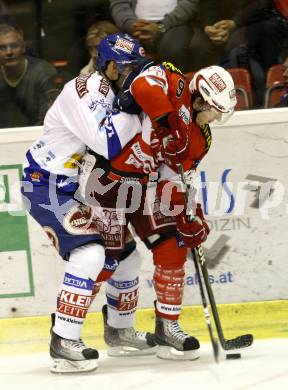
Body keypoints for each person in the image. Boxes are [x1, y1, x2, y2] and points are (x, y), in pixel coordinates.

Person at [82, 34, 236, 360]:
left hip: (145, 185)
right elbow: (141, 86)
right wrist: (166, 119)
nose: (217, 119)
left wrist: (188, 215)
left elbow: (176, 180)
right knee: (106, 258)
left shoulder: (201, 139)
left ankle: (167, 328)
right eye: (215, 111)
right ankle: (65, 331)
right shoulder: (172, 78)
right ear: (198, 99)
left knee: (172, 243)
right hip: (109, 174)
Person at [21, 33, 158, 374]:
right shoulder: (83, 90)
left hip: (76, 185)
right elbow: (106, 142)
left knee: (126, 257)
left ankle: (119, 330)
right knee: (90, 253)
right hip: (44, 183)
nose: (135, 77)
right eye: (129, 69)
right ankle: (64, 339)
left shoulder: (116, 92)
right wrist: (132, 107)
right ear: (110, 66)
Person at [109, 0, 200, 71]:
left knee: (173, 48)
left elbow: (189, 3)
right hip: (134, 27)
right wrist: (131, 24)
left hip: (174, 25)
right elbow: (119, 3)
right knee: (112, 47)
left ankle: (176, 89)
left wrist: (162, 26)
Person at [0, 23, 57, 128]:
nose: (9, 52)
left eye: (14, 46)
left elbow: (50, 119)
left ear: (23, 47)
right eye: (2, 48)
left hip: (37, 138)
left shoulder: (44, 72)